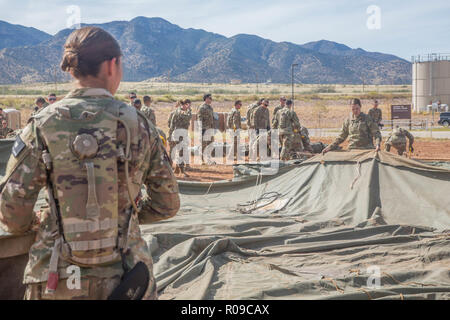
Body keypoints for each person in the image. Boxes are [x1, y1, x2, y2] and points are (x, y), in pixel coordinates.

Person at [0, 26, 180, 300]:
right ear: (112, 65)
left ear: (73, 68)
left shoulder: (40, 126)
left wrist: (42, 222)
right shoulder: (140, 126)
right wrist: (126, 216)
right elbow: (167, 203)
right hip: (125, 277)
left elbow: (11, 213)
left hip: (55, 277)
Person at [169, 99, 192, 176]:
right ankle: (182, 171)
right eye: (187, 105)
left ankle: (176, 169)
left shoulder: (176, 111)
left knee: (180, 152)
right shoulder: (181, 112)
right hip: (179, 135)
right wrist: (189, 110)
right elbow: (188, 117)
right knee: (181, 152)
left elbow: (172, 125)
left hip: (178, 134)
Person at [197, 93, 215, 164]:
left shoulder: (210, 107)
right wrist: (201, 129)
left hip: (210, 128)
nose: (211, 100)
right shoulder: (202, 107)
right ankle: (201, 160)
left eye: (211, 98)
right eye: (210, 98)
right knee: (203, 145)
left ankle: (208, 159)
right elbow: (199, 119)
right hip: (204, 129)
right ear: (206, 99)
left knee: (210, 144)